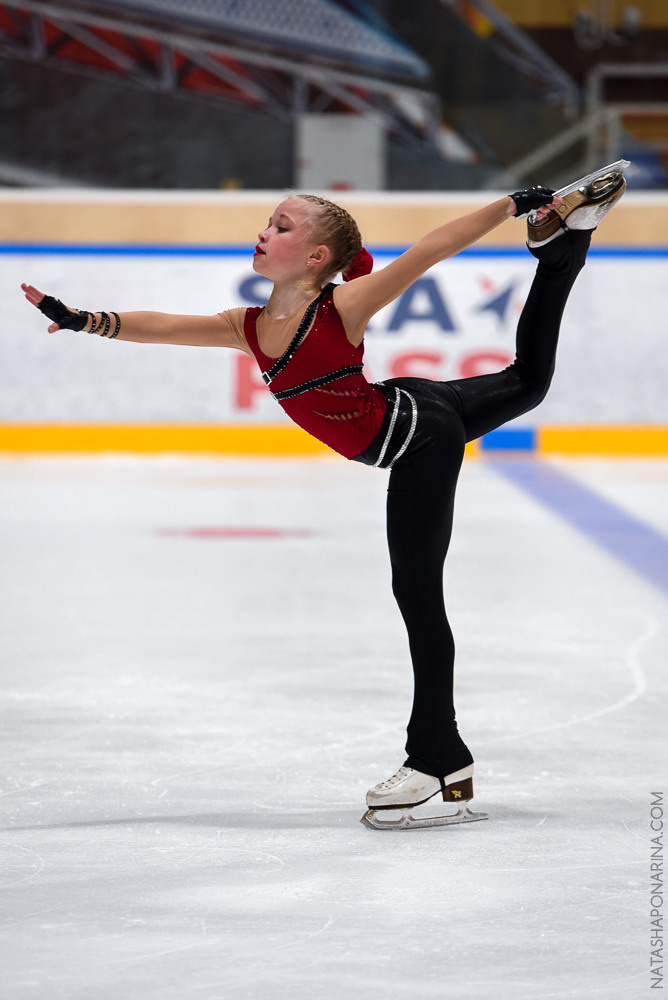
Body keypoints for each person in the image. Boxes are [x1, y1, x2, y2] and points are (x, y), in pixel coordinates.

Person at [21, 167, 627, 830]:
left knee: (417, 593)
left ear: (315, 258)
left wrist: (511, 204)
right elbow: (164, 326)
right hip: (414, 404)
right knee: (528, 382)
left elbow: (431, 249)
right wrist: (82, 319)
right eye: (269, 221)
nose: (264, 230)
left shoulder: (340, 309)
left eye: (281, 225)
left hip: (418, 437)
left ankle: (435, 753)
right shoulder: (248, 324)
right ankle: (563, 250)